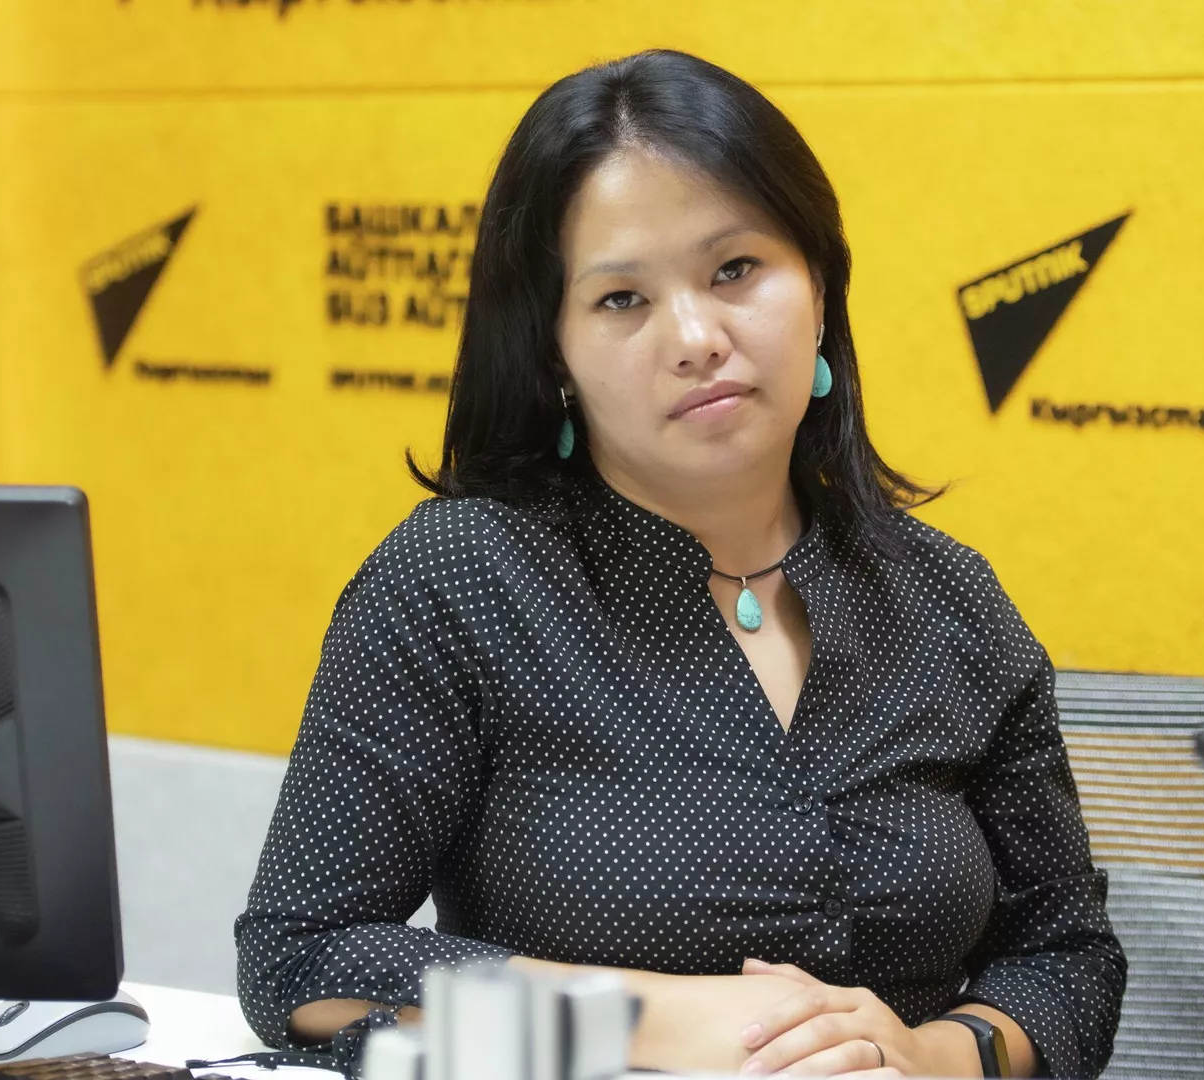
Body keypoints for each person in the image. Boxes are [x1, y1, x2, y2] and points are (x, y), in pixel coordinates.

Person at [236, 49, 1124, 1079]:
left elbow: (1068, 955)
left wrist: (933, 1055)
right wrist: (652, 1021)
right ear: (554, 353)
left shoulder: (948, 599)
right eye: (622, 299)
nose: (697, 337)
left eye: (735, 269)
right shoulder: (458, 582)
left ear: (820, 288)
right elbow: (303, 957)